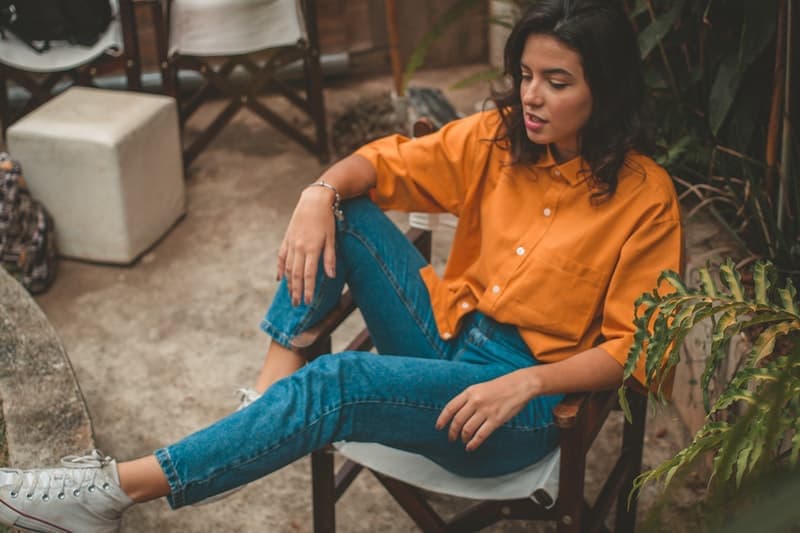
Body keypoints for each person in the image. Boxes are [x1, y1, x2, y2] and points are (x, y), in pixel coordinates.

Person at [0, 0, 683, 531]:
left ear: (607, 89)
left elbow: (634, 348)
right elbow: (379, 166)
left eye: (556, 82)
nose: (531, 97)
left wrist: (529, 383)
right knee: (345, 209)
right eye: (527, 75)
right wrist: (315, 191)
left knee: (339, 382)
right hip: (445, 341)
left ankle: (112, 490)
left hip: (517, 406)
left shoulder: (644, 196)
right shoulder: (495, 138)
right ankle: (269, 398)